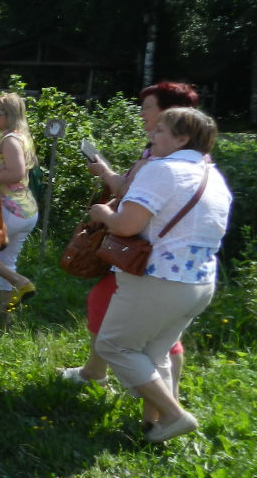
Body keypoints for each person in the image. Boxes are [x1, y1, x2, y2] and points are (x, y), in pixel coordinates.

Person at [82, 107, 231, 442]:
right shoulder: (212, 175)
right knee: (154, 352)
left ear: (182, 138)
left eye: (161, 130)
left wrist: (103, 213)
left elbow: (127, 224)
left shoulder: (161, 170)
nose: (152, 134)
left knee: (114, 346)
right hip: (199, 283)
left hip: (157, 278)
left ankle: (176, 415)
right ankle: (156, 424)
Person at [61, 82, 201, 391]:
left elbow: (130, 196)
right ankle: (149, 395)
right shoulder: (182, 157)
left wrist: (106, 188)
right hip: (170, 262)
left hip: (147, 255)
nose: (141, 114)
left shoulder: (161, 161)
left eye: (147, 107)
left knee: (122, 319)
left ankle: (165, 405)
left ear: (169, 113)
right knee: (161, 331)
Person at [0, 93, 39, 313]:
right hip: (26, 211)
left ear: (8, 115)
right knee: (7, 261)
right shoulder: (22, 137)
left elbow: (15, 173)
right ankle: (5, 314)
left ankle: (21, 282)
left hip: (10, 210)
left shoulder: (9, 140)